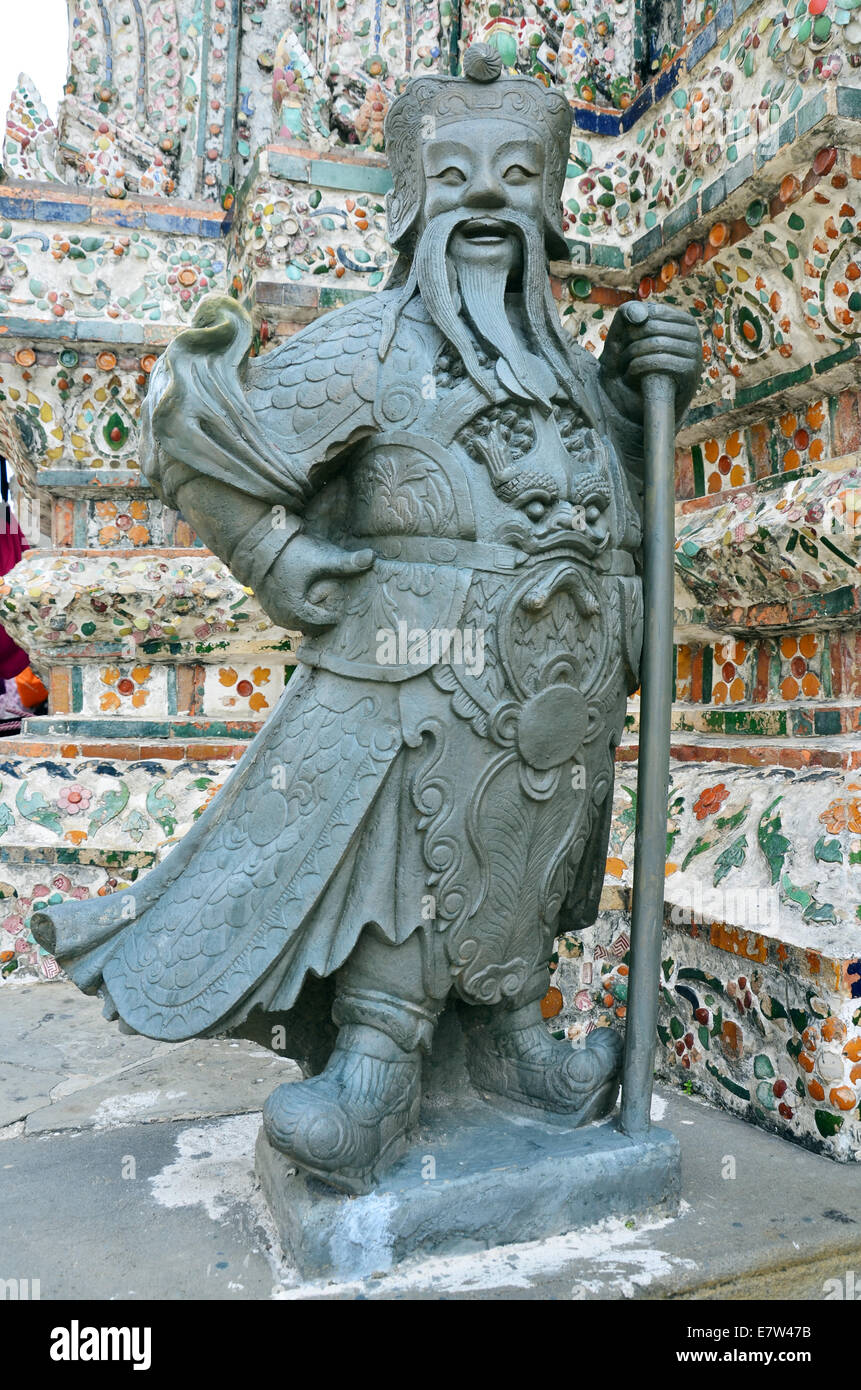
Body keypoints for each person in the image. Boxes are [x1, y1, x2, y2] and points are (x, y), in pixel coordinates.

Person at [32, 46, 701, 1193]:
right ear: (411, 201)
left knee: (536, 840)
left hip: (559, 685)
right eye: (456, 178)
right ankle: (379, 1060)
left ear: (548, 206)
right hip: (409, 674)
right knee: (413, 837)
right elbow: (198, 428)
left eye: (513, 179)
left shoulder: (581, 379)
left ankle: (511, 1035)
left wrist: (654, 396)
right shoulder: (370, 346)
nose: (488, 201)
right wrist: (273, 552)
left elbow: (630, 518)